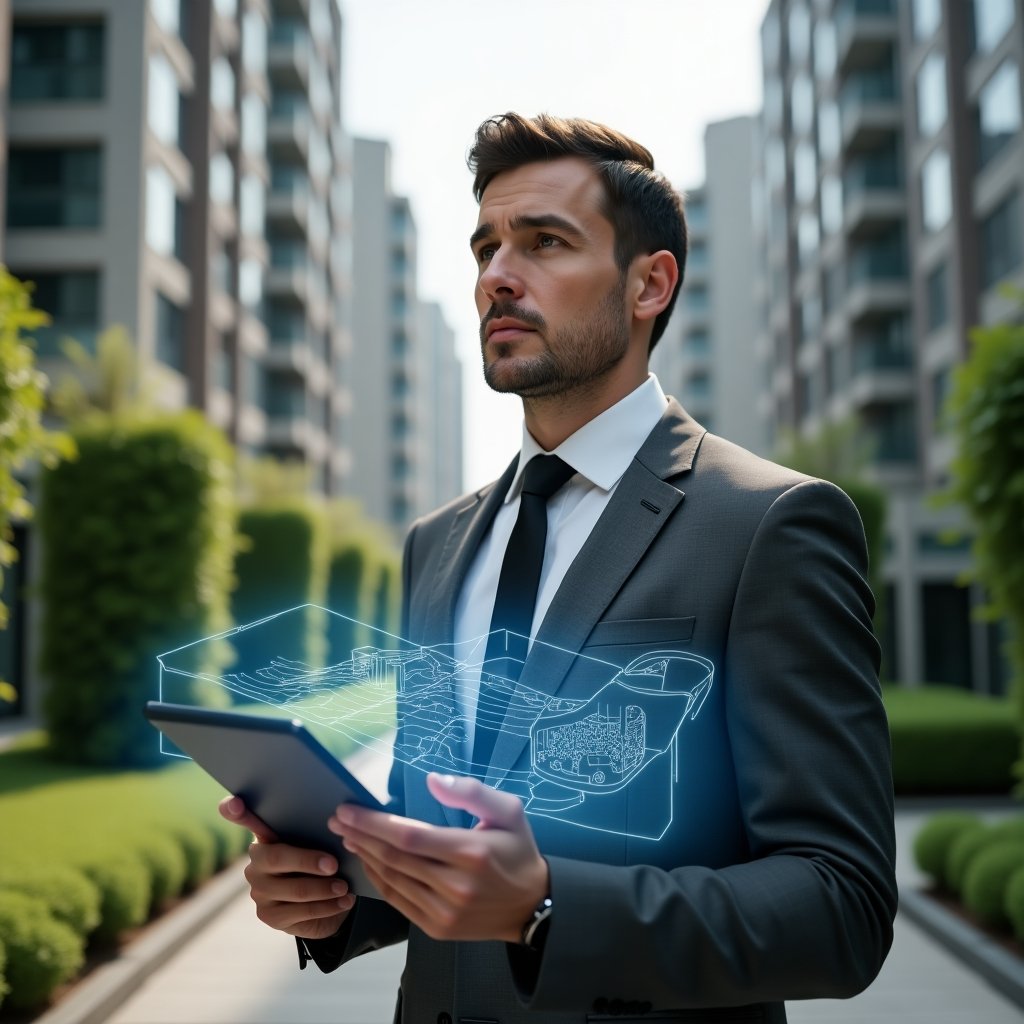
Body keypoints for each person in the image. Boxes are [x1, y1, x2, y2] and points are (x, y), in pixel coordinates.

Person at [221, 112, 897, 1024]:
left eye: (545, 242)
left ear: (649, 283)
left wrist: (546, 910)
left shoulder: (770, 524)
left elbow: (840, 907)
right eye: (487, 246)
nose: (498, 275)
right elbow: (446, 835)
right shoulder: (438, 542)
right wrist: (334, 896)